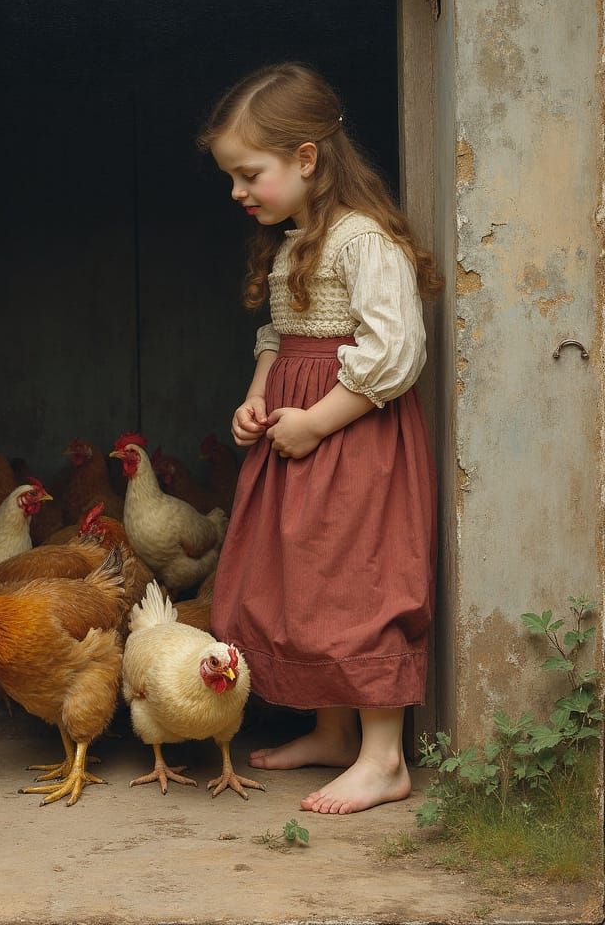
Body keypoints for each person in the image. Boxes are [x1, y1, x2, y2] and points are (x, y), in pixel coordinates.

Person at [201, 62, 441, 815]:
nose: (238, 191)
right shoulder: (295, 239)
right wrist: (255, 400)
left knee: (358, 586)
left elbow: (394, 351)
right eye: (232, 177)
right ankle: (334, 733)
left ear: (306, 158)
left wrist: (318, 420)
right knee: (304, 582)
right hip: (295, 432)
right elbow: (278, 336)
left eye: (249, 174)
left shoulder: (362, 240)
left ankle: (383, 759)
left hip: (354, 435)